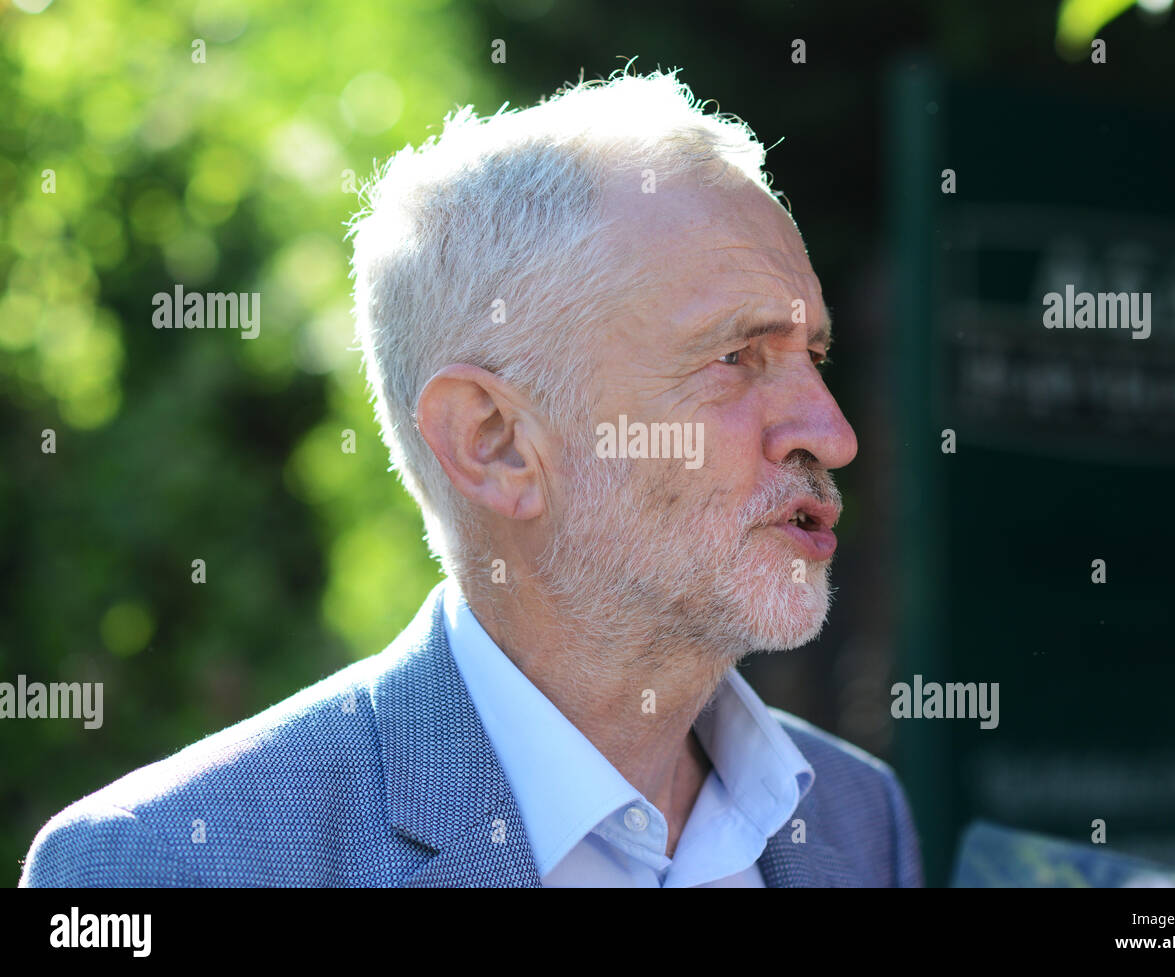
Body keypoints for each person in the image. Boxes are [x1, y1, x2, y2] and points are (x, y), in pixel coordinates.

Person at [21, 68, 923, 887]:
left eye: (814, 354)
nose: (832, 434)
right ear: (493, 442)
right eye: (737, 356)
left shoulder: (853, 817)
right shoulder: (164, 863)